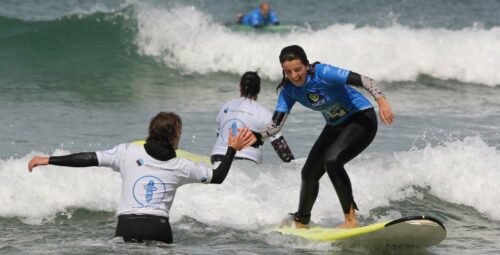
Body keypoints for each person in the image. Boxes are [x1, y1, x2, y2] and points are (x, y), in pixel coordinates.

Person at [28, 112, 256, 244]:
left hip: (128, 226)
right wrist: (232, 149)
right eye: (179, 133)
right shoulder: (181, 166)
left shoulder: (126, 152)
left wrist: (49, 160)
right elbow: (217, 176)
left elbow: (88, 158)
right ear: (173, 136)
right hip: (159, 228)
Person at [252, 45, 394, 228]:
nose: (294, 76)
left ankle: (351, 220)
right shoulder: (289, 90)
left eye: (298, 69)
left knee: (333, 160)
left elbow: (364, 80)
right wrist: (255, 136)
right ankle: (302, 220)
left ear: (306, 65)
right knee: (309, 174)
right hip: (335, 125)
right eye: (288, 72)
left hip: (361, 118)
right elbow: (276, 125)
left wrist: (382, 101)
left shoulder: (323, 72)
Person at [211, 71, 294, 164]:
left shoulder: (226, 106)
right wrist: (294, 168)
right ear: (259, 89)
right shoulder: (264, 113)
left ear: (240, 87)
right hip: (248, 159)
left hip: (218, 156)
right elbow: (281, 148)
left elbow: (220, 136)